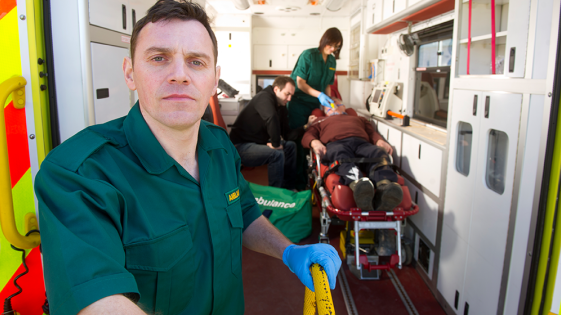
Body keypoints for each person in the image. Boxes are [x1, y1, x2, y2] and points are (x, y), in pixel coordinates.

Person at [34, 1, 341, 315]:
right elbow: (98, 300)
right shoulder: (79, 175)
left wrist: (288, 250)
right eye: (159, 58)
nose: (179, 75)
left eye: (196, 62)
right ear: (130, 73)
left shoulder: (221, 148)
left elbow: (246, 213)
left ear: (213, 79)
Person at [302, 109, 403, 211]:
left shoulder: (360, 119)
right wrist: (314, 142)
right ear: (325, 112)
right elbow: (307, 136)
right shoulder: (320, 121)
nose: (334, 106)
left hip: (362, 143)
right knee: (340, 154)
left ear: (344, 107)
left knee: (378, 152)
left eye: (338, 104)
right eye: (329, 106)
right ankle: (359, 185)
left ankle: (384, 188)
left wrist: (379, 140)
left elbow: (371, 132)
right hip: (336, 143)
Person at [229, 76, 316, 190]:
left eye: (291, 95)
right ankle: (276, 194)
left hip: (258, 143)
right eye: (287, 94)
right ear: (276, 90)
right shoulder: (264, 97)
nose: (289, 99)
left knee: (290, 146)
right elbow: (271, 118)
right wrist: (275, 144)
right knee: (276, 154)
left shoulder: (281, 106)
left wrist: (306, 126)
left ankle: (288, 189)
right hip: (240, 146)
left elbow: (287, 135)